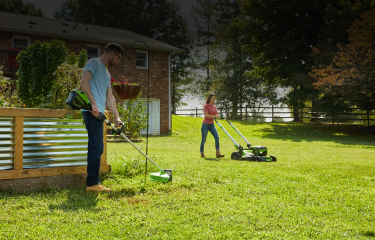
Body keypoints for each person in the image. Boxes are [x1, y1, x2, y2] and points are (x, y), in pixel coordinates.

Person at [80, 42, 127, 192]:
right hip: (91, 111)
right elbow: (83, 82)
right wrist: (93, 104)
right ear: (112, 54)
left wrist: (117, 117)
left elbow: (110, 97)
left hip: (99, 113)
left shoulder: (106, 73)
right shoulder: (93, 62)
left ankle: (94, 182)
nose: (117, 62)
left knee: (97, 147)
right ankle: (92, 184)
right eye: (118, 58)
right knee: (96, 146)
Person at [200, 93, 225, 158]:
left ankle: (218, 153)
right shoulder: (206, 105)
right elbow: (206, 115)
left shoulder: (214, 106)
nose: (214, 100)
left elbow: (217, 114)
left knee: (217, 137)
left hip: (212, 125)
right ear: (209, 99)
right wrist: (214, 116)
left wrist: (223, 116)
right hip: (205, 125)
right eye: (213, 98)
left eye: (214, 98)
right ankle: (202, 153)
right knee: (204, 140)